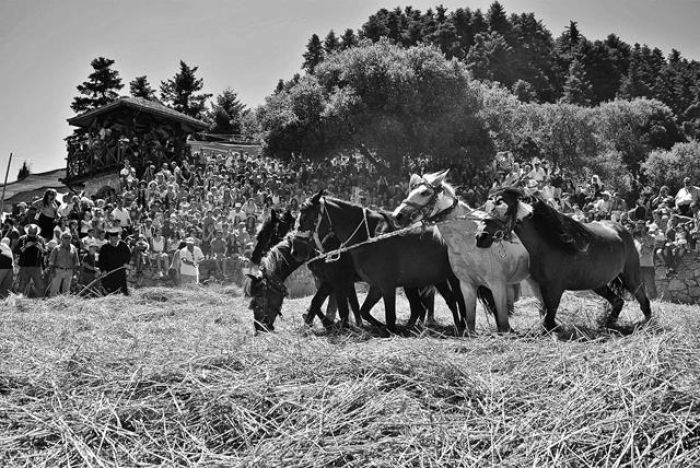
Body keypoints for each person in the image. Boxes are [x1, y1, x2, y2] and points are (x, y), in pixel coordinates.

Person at [14, 224, 46, 297]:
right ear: (27, 231)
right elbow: (16, 251)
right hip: (24, 266)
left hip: (37, 266)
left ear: (36, 232)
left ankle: (40, 301)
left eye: (34, 233)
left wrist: (41, 248)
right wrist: (25, 247)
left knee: (40, 286)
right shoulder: (22, 239)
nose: (32, 234)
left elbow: (46, 252)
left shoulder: (41, 239)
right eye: (30, 232)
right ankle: (18, 301)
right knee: (22, 285)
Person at [98, 228, 132, 295]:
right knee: (110, 290)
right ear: (110, 238)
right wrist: (103, 270)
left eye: (117, 238)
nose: (116, 239)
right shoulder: (104, 248)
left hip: (120, 271)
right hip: (109, 272)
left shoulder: (123, 245)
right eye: (114, 238)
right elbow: (101, 260)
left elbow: (128, 255)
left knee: (122, 290)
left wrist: (126, 263)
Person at [47, 231, 80, 297]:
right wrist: (52, 272)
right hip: (58, 270)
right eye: (65, 238)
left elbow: (77, 262)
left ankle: (64, 304)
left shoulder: (73, 248)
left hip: (69, 271)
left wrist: (75, 272)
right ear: (61, 239)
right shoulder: (56, 248)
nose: (67, 239)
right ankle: (52, 303)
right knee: (54, 290)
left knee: (66, 291)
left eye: (69, 238)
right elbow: (51, 262)